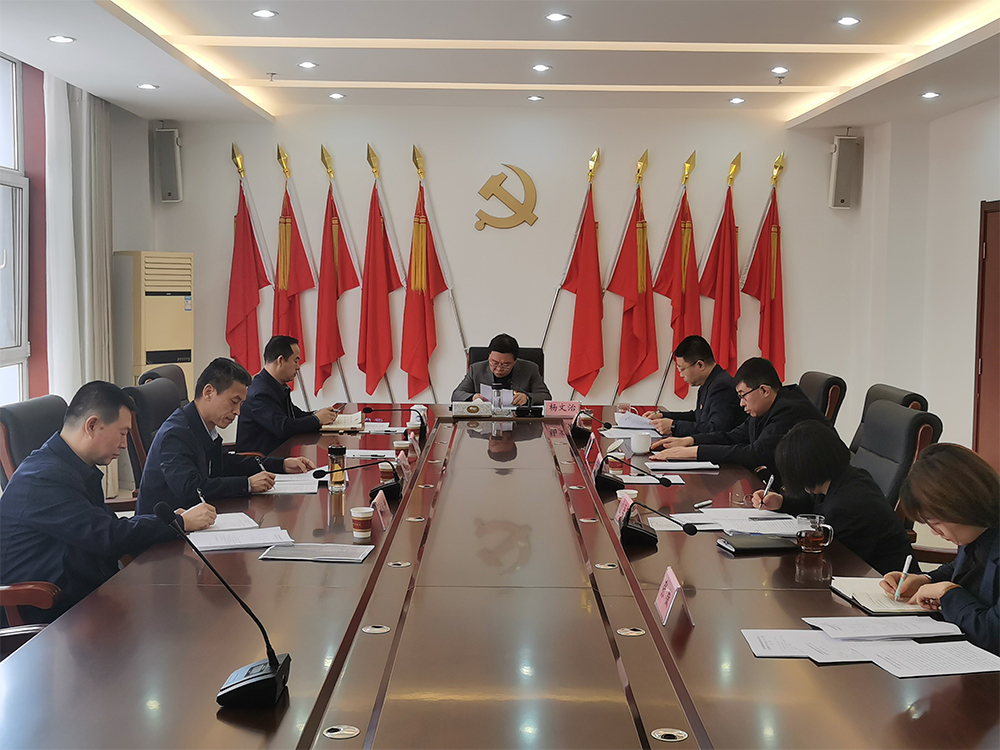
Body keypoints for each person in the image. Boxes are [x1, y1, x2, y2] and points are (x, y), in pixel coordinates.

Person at [0, 381, 217, 623]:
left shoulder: (71, 467)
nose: (124, 444)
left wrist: (172, 521)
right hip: (44, 612)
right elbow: (106, 536)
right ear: (92, 425)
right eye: (122, 433)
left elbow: (105, 527)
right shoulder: (43, 478)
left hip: (80, 593)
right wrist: (178, 523)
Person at [136, 358, 315, 515]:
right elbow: (191, 489)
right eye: (234, 402)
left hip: (198, 517)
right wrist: (247, 484)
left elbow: (225, 463)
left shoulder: (201, 424)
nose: (237, 412)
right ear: (208, 392)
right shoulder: (176, 434)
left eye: (241, 404)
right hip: (166, 532)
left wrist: (281, 465)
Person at [750, 420, 916, 574]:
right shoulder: (847, 478)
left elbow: (828, 559)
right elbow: (812, 502)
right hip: (861, 574)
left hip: (886, 584)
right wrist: (781, 502)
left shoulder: (847, 506)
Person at [879, 444, 998, 654]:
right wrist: (926, 580)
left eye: (935, 523)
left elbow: (992, 634)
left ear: (962, 505)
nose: (935, 533)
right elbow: (965, 568)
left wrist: (946, 593)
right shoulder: (979, 531)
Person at [650, 357, 830, 478]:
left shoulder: (789, 411)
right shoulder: (767, 406)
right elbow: (735, 436)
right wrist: (690, 441)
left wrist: (694, 452)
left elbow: (755, 454)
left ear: (764, 390)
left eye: (743, 396)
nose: (741, 403)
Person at [236, 335, 339, 455]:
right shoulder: (260, 393)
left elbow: (295, 415)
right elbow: (283, 427)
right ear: (280, 360)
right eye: (295, 361)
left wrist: (319, 414)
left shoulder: (274, 385)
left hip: (279, 455)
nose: (298, 367)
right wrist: (317, 419)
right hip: (262, 460)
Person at [642, 335, 744, 437]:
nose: (681, 375)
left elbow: (715, 429)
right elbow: (697, 417)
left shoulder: (722, 387)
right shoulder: (709, 382)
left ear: (700, 365)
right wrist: (663, 415)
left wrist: (674, 426)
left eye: (682, 369)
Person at [452, 333, 552, 406]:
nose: (499, 368)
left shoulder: (530, 369)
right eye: (494, 362)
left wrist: (527, 398)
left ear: (515, 361)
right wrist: (473, 397)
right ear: (489, 356)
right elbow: (456, 395)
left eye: (506, 364)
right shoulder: (476, 369)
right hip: (485, 423)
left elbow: (545, 396)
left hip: (518, 422)